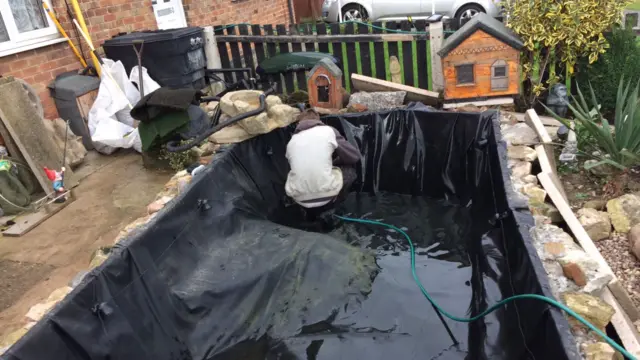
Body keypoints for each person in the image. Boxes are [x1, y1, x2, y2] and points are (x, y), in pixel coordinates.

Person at [285, 109, 360, 224]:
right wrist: (336, 161)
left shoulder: (292, 141)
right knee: (350, 172)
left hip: (300, 199)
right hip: (327, 195)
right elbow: (353, 156)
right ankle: (334, 208)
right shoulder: (328, 131)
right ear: (318, 120)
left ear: (299, 124)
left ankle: (310, 215)